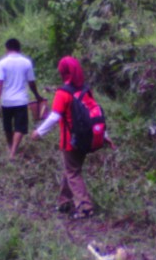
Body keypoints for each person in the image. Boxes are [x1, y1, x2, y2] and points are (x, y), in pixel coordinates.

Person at [31, 56, 109, 219]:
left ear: (63, 72)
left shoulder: (63, 93)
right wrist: (104, 135)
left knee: (73, 173)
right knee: (71, 169)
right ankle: (64, 203)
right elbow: (94, 115)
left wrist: (39, 132)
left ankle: (85, 207)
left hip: (70, 141)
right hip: (87, 139)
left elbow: (55, 116)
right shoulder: (85, 90)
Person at [0, 38, 43, 160]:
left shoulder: (2, 63)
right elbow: (31, 82)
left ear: (7, 49)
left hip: (6, 101)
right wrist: (37, 95)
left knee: (7, 127)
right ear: (19, 49)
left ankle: (11, 148)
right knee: (20, 127)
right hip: (21, 101)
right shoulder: (26, 62)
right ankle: (13, 151)